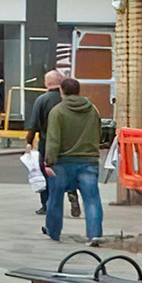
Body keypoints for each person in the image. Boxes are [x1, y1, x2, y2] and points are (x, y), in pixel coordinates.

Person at [43, 77, 104, 243]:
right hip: (88, 160)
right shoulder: (92, 110)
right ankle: (94, 234)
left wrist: (49, 162)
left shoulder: (58, 111)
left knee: (55, 199)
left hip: (63, 162)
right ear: (78, 91)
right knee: (92, 199)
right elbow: (98, 132)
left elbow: (53, 139)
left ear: (62, 91)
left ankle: (53, 232)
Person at [27, 70, 69, 220]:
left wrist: (29, 142)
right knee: (67, 169)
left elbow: (34, 124)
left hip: (47, 142)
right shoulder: (66, 100)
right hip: (67, 142)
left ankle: (47, 204)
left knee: (45, 171)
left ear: (47, 83)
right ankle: (72, 194)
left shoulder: (42, 100)